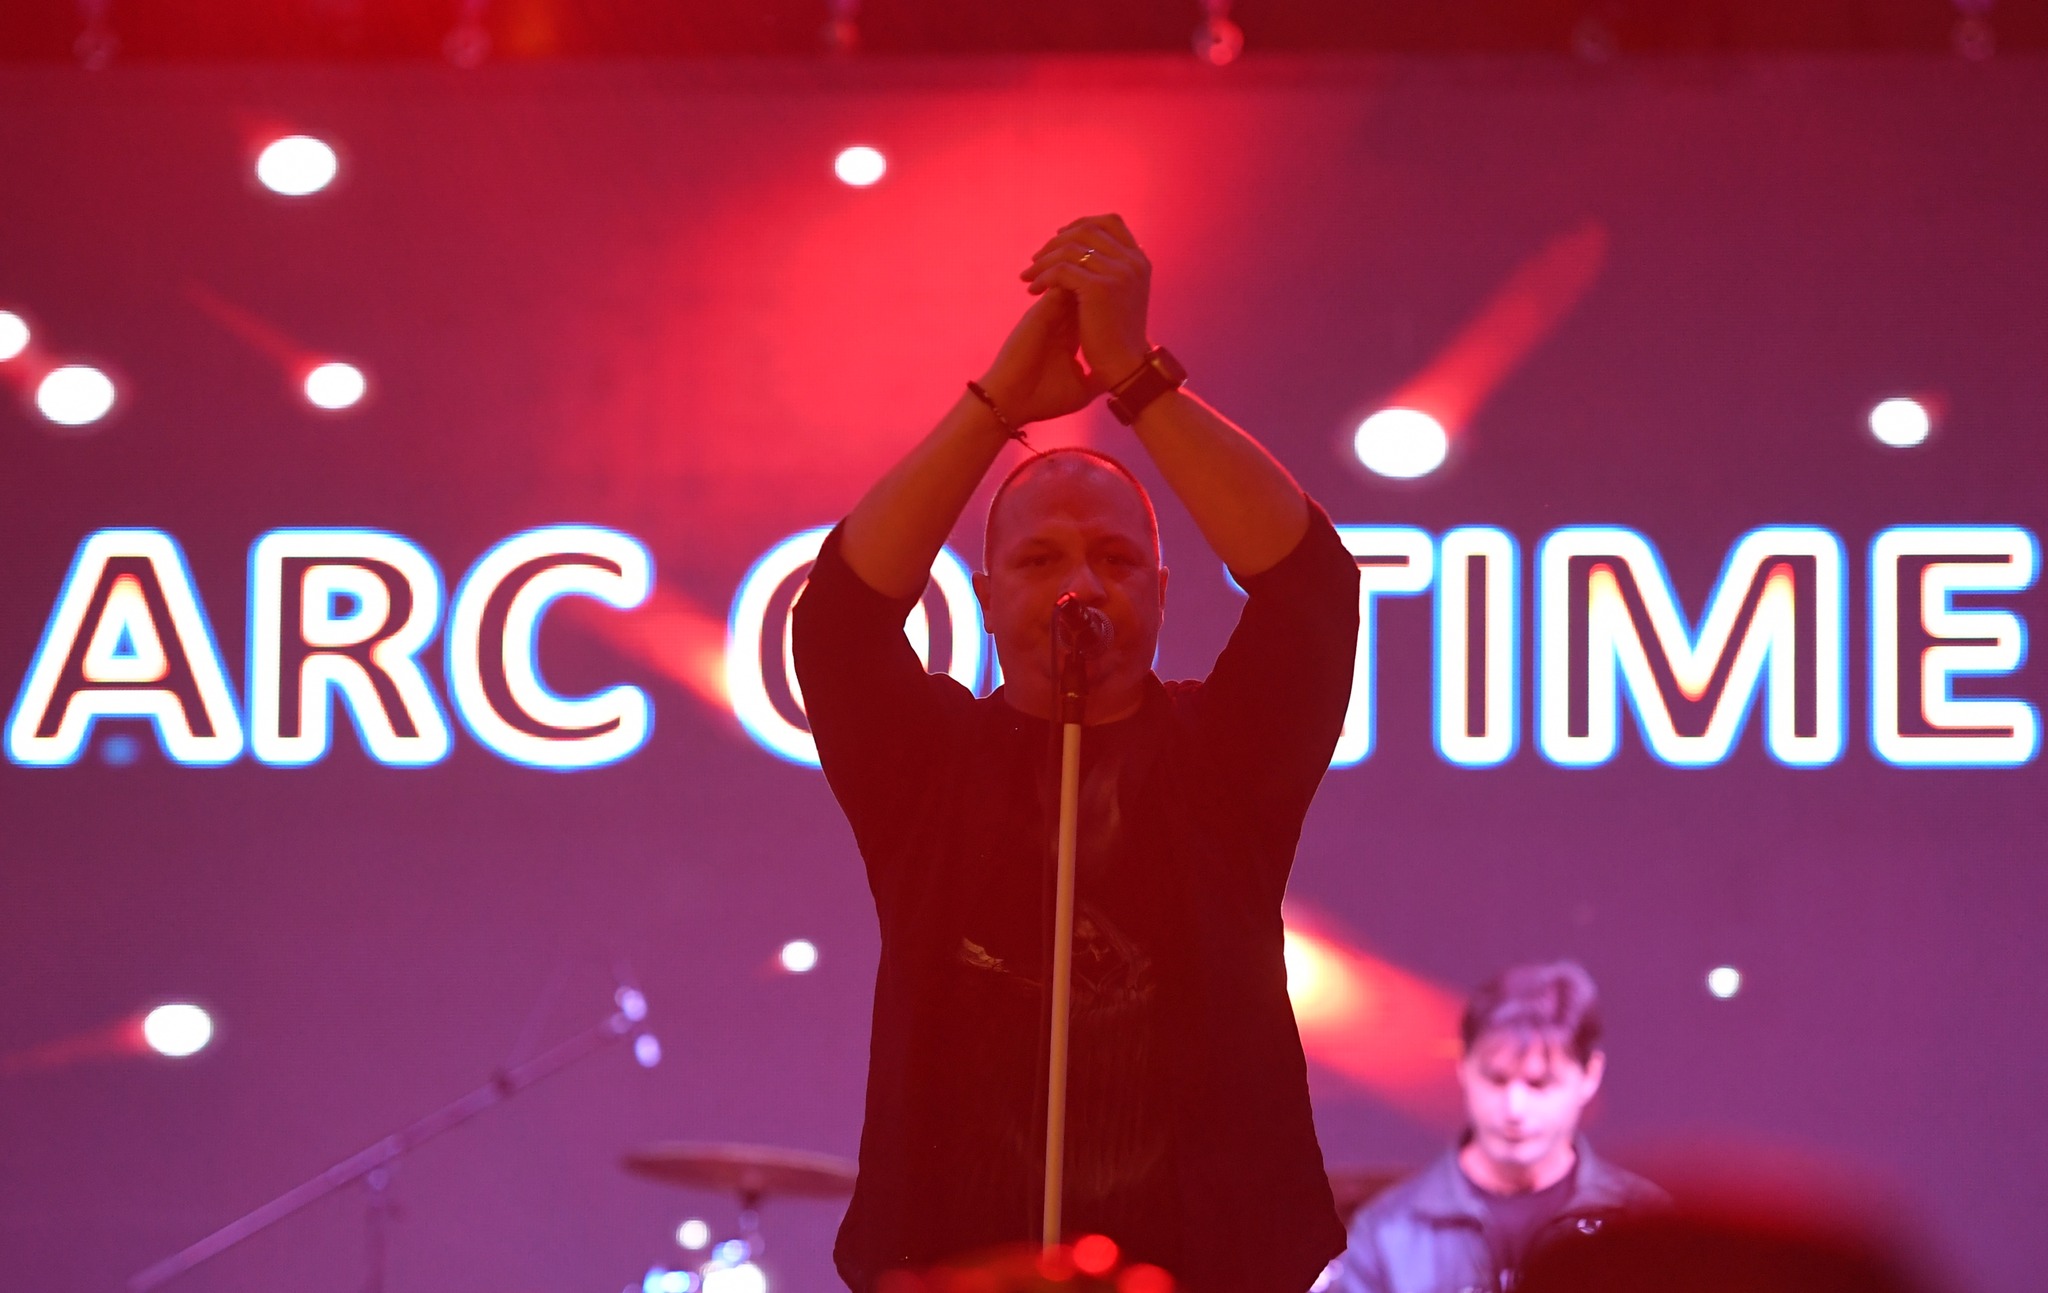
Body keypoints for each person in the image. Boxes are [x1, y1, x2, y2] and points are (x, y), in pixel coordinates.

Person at [791, 214, 1361, 1293]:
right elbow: (840, 622)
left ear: (1161, 590)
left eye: (1114, 558)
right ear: (983, 594)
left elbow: (1310, 590)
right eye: (1040, 559)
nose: (1080, 585)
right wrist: (995, 404)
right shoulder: (926, 768)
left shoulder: (1225, 759)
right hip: (954, 1272)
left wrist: (1138, 380)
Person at [1337, 961, 1667, 1293]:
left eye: (1539, 1083)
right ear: (1463, 1067)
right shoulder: (1386, 1233)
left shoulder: (1644, 1224)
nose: (1514, 1109)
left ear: (1590, 1075)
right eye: (1496, 1079)